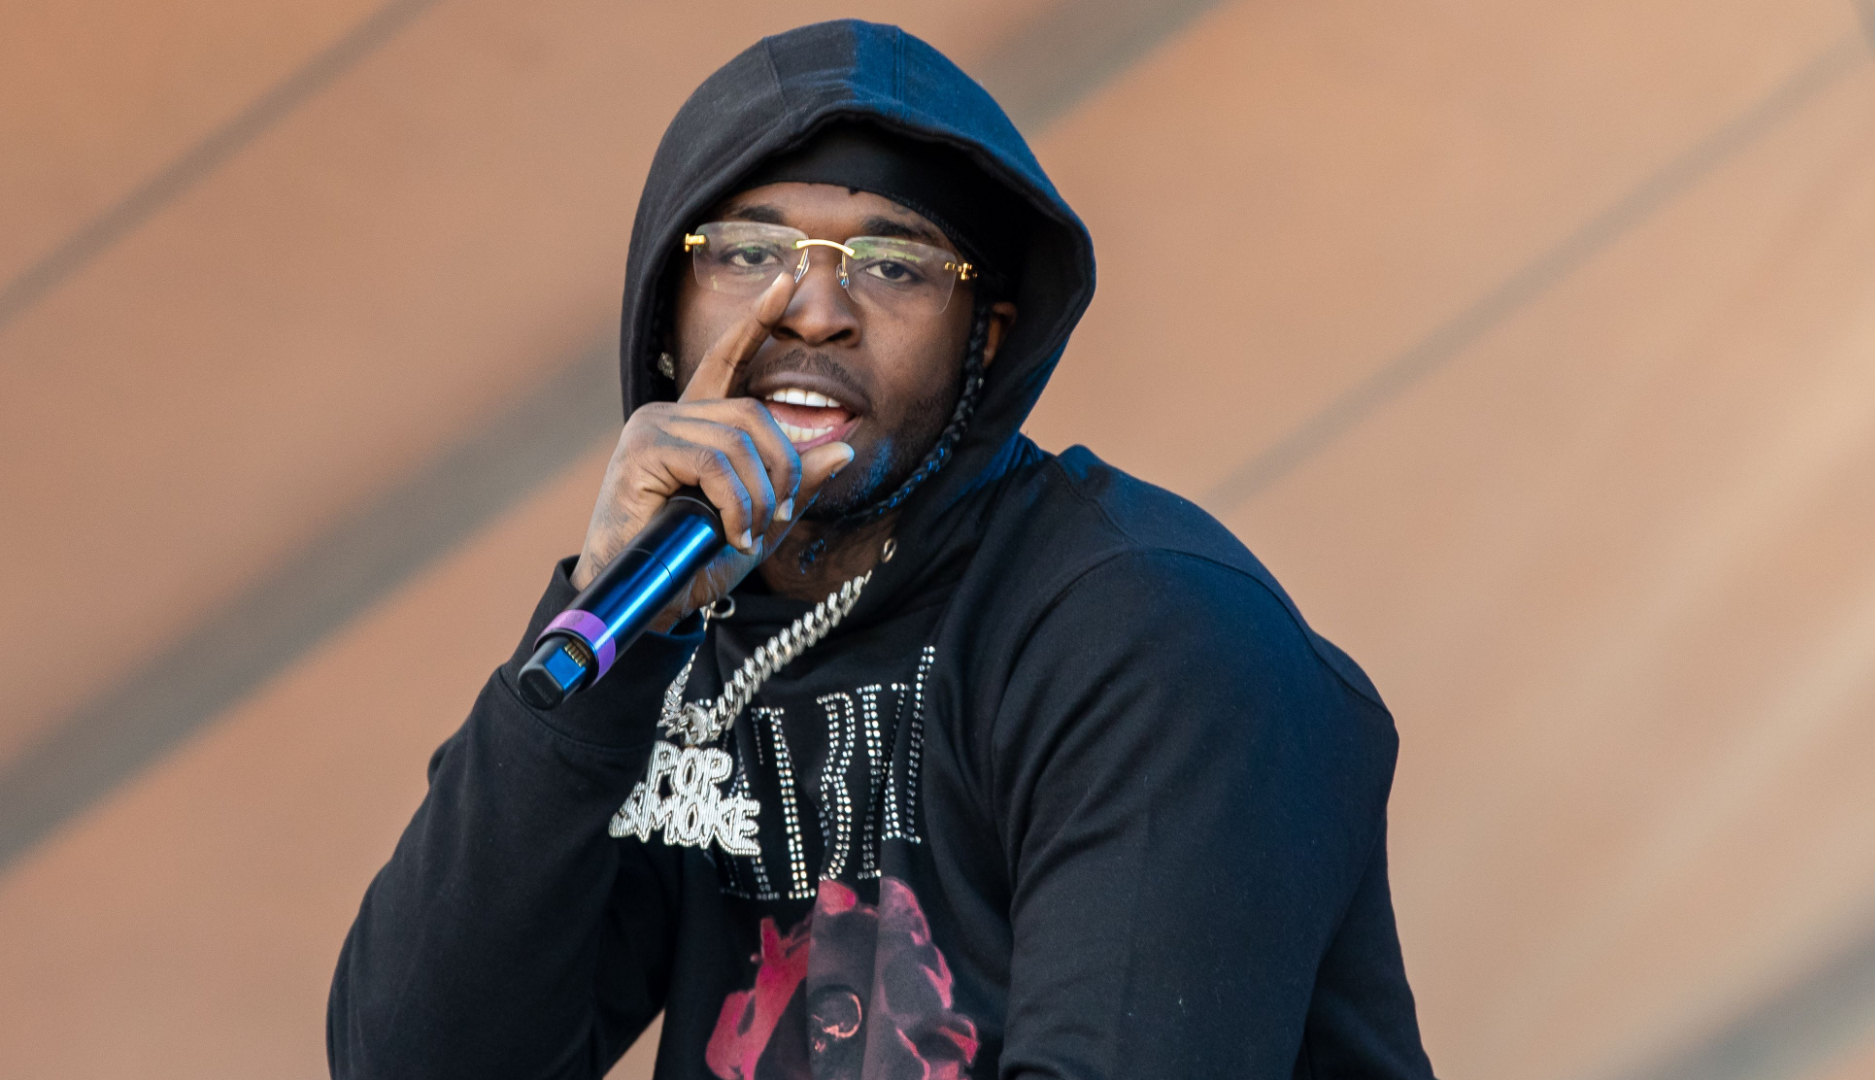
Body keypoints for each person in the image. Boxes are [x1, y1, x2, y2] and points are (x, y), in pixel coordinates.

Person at [328, 19, 1435, 1080]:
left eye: (893, 265)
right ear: (666, 319)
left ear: (984, 343)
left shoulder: (1150, 635)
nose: (813, 308)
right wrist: (600, 641)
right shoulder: (674, 648)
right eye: (749, 251)